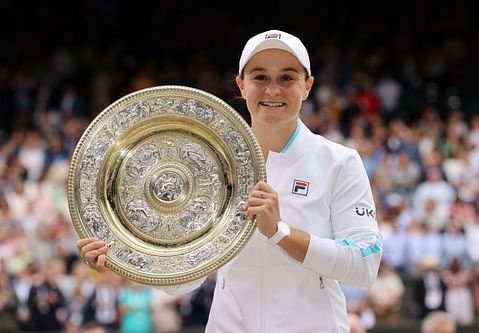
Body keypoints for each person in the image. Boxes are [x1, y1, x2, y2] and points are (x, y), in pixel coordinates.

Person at [77, 29, 383, 333]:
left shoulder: (339, 162)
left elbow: (364, 265)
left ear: (307, 86)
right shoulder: (208, 166)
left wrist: (281, 233)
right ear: (241, 85)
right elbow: (187, 278)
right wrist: (123, 259)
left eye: (287, 78)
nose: (273, 90)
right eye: (260, 77)